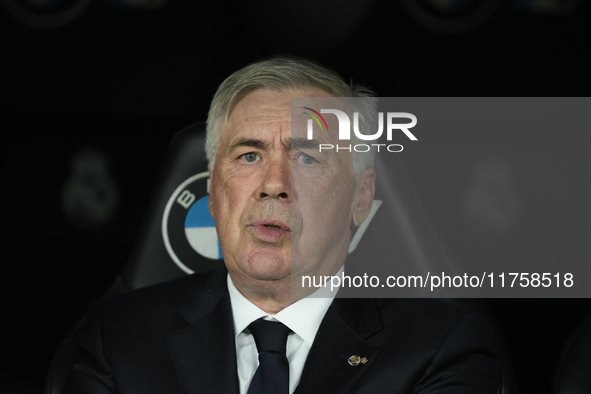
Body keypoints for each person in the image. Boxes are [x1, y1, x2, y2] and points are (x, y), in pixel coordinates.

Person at [63, 56, 500, 393]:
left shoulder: (442, 348)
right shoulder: (116, 338)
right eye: (249, 156)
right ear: (214, 192)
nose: (274, 184)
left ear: (360, 198)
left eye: (307, 158)